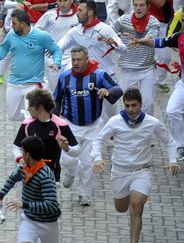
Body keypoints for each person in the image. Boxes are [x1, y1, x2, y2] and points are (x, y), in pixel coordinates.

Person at [91, 87, 179, 243]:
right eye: (127, 105)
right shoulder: (115, 121)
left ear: (141, 104)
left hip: (141, 171)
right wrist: (97, 158)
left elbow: (170, 142)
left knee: (137, 206)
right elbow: (98, 140)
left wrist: (173, 160)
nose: (131, 109)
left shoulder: (152, 123)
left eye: (134, 105)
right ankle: (132, 210)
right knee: (121, 208)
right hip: (119, 171)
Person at [53, 45, 123, 206]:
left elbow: (118, 90)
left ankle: (84, 194)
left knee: (89, 163)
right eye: (73, 60)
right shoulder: (64, 77)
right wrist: (54, 121)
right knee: (67, 160)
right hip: (70, 125)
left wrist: (108, 92)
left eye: (79, 60)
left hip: (94, 126)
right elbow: (57, 99)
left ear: (87, 59)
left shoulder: (99, 75)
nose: (76, 63)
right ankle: (71, 171)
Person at [0, 8, 62, 122]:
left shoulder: (41, 36)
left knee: (30, 116)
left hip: (33, 84)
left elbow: (56, 50)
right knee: (12, 116)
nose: (11, 26)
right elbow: (1, 51)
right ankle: (36, 117)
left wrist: (56, 62)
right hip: (14, 83)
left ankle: (32, 123)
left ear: (22, 24)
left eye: (14, 23)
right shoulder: (11, 35)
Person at [58, 0, 126, 122]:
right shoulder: (75, 31)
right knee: (87, 113)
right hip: (86, 81)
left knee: (112, 116)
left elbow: (123, 50)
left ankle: (116, 136)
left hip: (107, 79)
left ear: (89, 12)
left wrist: (113, 44)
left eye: (80, 10)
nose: (76, 13)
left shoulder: (105, 29)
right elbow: (59, 46)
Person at [0, 136, 61, 243]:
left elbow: (52, 206)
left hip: (48, 224)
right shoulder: (23, 167)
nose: (21, 154)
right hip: (29, 220)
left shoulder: (45, 176)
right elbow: (12, 179)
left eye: (22, 151)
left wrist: (25, 204)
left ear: (28, 155)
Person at [128, 31, 184, 161]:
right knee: (172, 111)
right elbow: (160, 42)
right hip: (183, 83)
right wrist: (140, 41)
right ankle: (181, 145)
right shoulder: (179, 37)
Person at [13, 88, 79, 184]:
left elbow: (77, 151)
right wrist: (20, 158)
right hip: (28, 175)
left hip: (50, 177)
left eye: (30, 106)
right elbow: (16, 147)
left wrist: (66, 148)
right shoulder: (27, 124)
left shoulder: (60, 125)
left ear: (40, 107)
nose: (27, 109)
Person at [111, 0, 160, 115]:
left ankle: (146, 129)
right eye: (136, 5)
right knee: (127, 104)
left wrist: (139, 41)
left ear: (148, 6)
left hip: (147, 69)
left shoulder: (154, 22)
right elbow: (111, 31)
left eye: (142, 5)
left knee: (148, 104)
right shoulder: (123, 20)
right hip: (127, 70)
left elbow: (151, 38)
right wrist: (112, 38)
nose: (138, 8)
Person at [34, 0, 78, 92]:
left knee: (70, 87)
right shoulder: (49, 15)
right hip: (52, 58)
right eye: (60, 1)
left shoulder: (79, 15)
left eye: (65, 1)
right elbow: (36, 32)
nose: (62, 4)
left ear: (71, 1)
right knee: (55, 90)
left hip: (72, 58)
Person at [148, 0, 174, 93]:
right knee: (146, 54)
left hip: (167, 23)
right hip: (150, 22)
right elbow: (160, 3)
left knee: (165, 57)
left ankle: (160, 79)